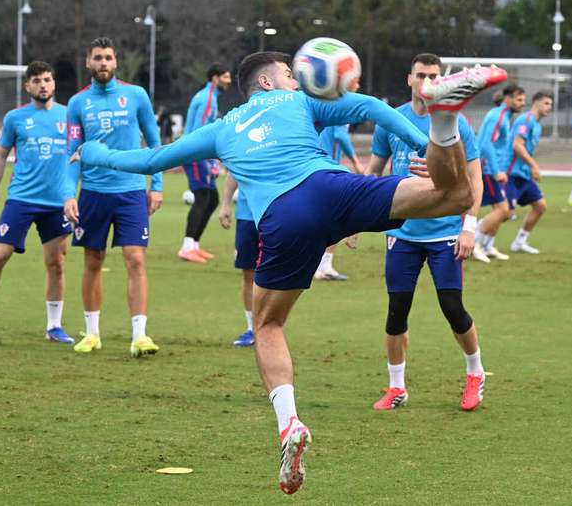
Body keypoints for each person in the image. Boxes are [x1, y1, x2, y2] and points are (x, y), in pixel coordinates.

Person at [74, 51, 506, 494]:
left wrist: (94, 151)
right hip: (333, 190)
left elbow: (151, 160)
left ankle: (289, 424)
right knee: (456, 197)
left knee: (268, 323)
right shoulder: (297, 103)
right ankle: (444, 120)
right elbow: (370, 107)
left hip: (283, 219)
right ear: (266, 83)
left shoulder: (222, 130)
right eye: (289, 75)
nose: (298, 81)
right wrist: (420, 143)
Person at [367, 53, 486, 412]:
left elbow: (475, 178)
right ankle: (396, 387)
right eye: (421, 75)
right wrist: (354, 219)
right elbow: (374, 172)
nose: (426, 82)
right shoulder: (392, 121)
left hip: (445, 232)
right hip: (402, 232)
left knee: (452, 308)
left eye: (433, 76)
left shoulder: (455, 123)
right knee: (396, 312)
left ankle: (475, 373)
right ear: (409, 79)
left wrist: (469, 227)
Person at [64, 37, 163, 357]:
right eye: (97, 58)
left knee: (135, 259)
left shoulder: (135, 95)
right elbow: (71, 152)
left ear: (115, 62)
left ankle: (139, 335)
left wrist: (157, 184)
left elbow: (154, 140)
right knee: (93, 261)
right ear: (88, 63)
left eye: (108, 57)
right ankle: (92, 333)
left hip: (132, 191)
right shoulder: (78, 103)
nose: (103, 62)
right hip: (93, 193)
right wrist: (69, 194)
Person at [0, 61, 73, 346]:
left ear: (54, 84)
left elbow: (81, 154)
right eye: (37, 80)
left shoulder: (69, 116)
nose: (43, 85)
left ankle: (54, 326)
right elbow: (1, 154)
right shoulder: (15, 118)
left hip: (56, 203)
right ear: (27, 86)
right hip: (22, 198)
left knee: (56, 262)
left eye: (48, 79)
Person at [178, 64, 232, 263]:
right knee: (202, 198)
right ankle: (186, 247)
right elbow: (200, 132)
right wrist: (209, 162)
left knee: (212, 200)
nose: (229, 80)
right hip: (193, 153)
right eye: (226, 77)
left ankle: (194, 245)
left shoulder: (210, 97)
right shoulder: (207, 98)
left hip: (198, 154)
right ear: (215, 78)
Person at [472, 83, 525, 262]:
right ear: (507, 98)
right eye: (519, 99)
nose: (522, 103)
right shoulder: (498, 116)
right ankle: (473, 241)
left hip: (495, 170)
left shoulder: (505, 116)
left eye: (523, 100)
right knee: (503, 210)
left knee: (502, 210)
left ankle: (486, 246)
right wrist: (495, 171)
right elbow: (486, 144)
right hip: (487, 169)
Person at [504, 91, 554, 254]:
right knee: (505, 213)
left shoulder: (537, 125)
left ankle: (519, 242)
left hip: (523, 175)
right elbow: (517, 145)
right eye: (546, 103)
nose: (549, 107)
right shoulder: (525, 120)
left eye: (551, 104)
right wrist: (534, 165)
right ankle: (475, 239)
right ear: (536, 103)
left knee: (540, 206)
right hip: (511, 173)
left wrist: (530, 168)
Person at [315, 124, 364, 280]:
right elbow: (340, 136)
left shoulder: (317, 104)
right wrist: (356, 162)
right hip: (328, 169)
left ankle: (320, 266)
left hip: (312, 166)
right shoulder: (340, 107)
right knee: (338, 215)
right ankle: (323, 267)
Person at [218, 172, 257, 347]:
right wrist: (225, 204)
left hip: (276, 214)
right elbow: (233, 172)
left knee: (275, 275)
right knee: (248, 273)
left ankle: (271, 325)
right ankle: (252, 328)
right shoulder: (241, 145)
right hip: (246, 217)